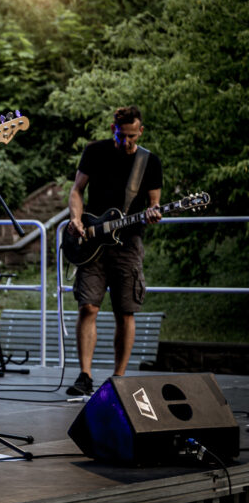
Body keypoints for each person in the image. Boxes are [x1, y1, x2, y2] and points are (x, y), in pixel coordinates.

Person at [65, 105, 161, 396]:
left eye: (132, 136)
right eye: (122, 135)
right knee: (88, 306)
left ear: (140, 131)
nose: (127, 141)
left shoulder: (150, 161)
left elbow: (154, 204)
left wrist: (154, 213)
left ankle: (119, 378)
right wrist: (76, 218)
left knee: (125, 311)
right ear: (113, 130)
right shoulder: (95, 152)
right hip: (92, 239)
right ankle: (84, 375)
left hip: (128, 244)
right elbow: (77, 189)